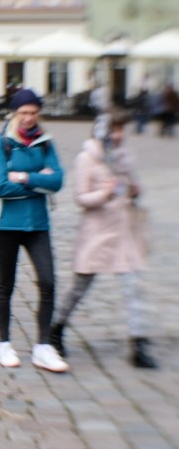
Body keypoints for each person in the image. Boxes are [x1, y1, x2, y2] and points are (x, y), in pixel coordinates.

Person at [51, 112, 157, 369]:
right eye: (114, 130)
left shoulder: (123, 158)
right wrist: (105, 193)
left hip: (123, 232)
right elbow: (81, 197)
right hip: (97, 232)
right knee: (81, 285)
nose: (118, 135)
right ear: (101, 132)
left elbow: (131, 187)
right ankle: (57, 328)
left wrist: (134, 190)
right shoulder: (87, 158)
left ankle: (138, 344)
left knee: (133, 287)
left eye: (121, 130)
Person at [0, 89, 66, 371]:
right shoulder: (1, 143)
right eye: (24, 113)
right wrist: (37, 182)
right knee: (5, 285)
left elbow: (57, 181)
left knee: (48, 282)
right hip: (5, 225)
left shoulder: (45, 143)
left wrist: (22, 176)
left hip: (37, 224)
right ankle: (4, 344)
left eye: (33, 113)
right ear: (14, 113)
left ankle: (43, 346)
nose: (29, 118)